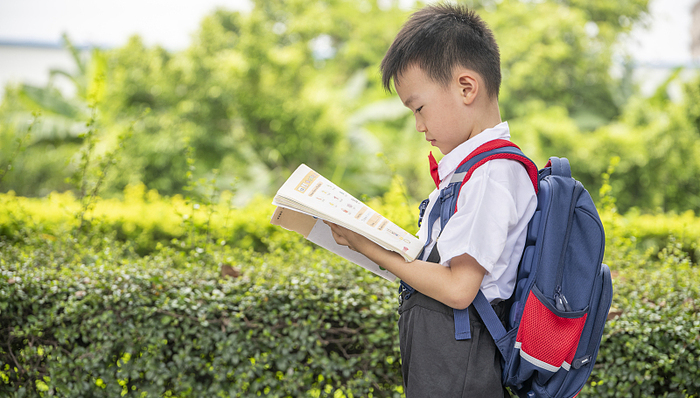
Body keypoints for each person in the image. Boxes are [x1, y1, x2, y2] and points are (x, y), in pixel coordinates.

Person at [326, 3, 537, 397]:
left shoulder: (492, 174)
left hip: (460, 368)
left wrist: (371, 247)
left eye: (419, 108)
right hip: (444, 361)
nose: (420, 126)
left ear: (466, 87)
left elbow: (459, 288)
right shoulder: (467, 170)